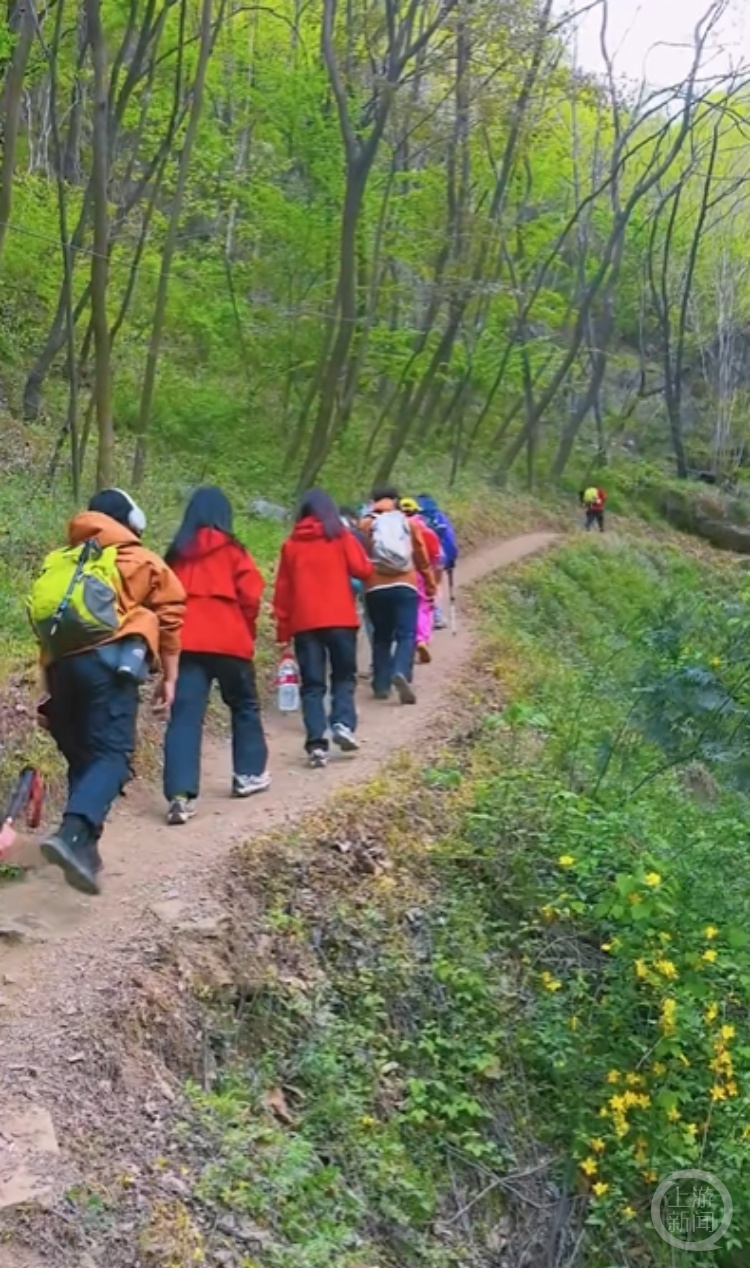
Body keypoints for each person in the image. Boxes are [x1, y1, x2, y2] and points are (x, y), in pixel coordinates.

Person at [33, 488, 185, 895]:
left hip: (63, 669)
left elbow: (48, 632)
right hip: (108, 668)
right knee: (112, 756)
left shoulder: (61, 561)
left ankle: (84, 851)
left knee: (85, 754)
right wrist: (169, 677)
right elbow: (171, 617)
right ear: (129, 523)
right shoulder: (137, 559)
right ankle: (70, 835)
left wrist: (50, 692)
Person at [163, 486, 269, 825]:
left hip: (187, 644)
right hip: (229, 641)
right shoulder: (234, 551)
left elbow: (162, 601)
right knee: (244, 705)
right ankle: (248, 775)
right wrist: (246, 632)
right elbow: (251, 595)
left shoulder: (177, 554)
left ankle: (180, 796)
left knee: (184, 716)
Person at [273, 488, 372, 768]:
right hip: (341, 619)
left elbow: (283, 593)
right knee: (343, 676)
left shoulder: (291, 546)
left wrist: (283, 633)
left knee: (313, 686)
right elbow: (362, 570)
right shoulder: (340, 537)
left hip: (305, 624)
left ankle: (316, 745)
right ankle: (342, 723)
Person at [360, 485, 435, 705]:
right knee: (406, 634)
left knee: (381, 636)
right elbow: (421, 555)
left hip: (374, 587)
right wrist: (429, 583)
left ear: (374, 501)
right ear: (396, 500)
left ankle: (381, 685)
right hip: (406, 585)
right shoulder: (409, 523)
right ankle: (401, 671)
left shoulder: (366, 524)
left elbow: (357, 553)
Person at [399, 497, 443, 664]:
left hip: (399, 574)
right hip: (421, 575)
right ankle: (421, 639)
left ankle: (404, 644)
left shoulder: (394, 529)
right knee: (423, 608)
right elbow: (437, 560)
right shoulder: (426, 531)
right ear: (417, 512)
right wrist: (435, 583)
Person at [417, 495, 458, 629]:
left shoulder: (411, 515)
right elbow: (450, 541)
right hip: (436, 557)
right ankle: (436, 615)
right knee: (436, 584)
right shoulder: (438, 516)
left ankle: (418, 617)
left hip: (415, 557)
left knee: (419, 586)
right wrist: (450, 560)